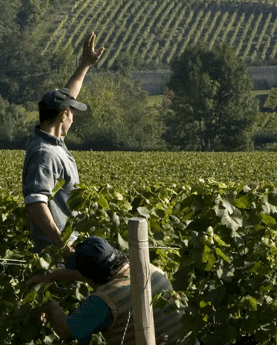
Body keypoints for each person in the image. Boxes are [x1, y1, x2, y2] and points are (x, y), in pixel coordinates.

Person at [23, 32, 106, 255]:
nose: (73, 118)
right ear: (63, 116)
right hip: (55, 252)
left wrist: (85, 65)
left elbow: (68, 94)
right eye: (72, 113)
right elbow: (35, 203)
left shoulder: (50, 140)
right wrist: (63, 246)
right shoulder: (45, 153)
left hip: (65, 247)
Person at [25, 236, 184, 345]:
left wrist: (47, 302)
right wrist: (52, 276)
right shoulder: (147, 269)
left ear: (91, 278)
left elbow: (66, 331)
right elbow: (93, 276)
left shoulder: (105, 302)